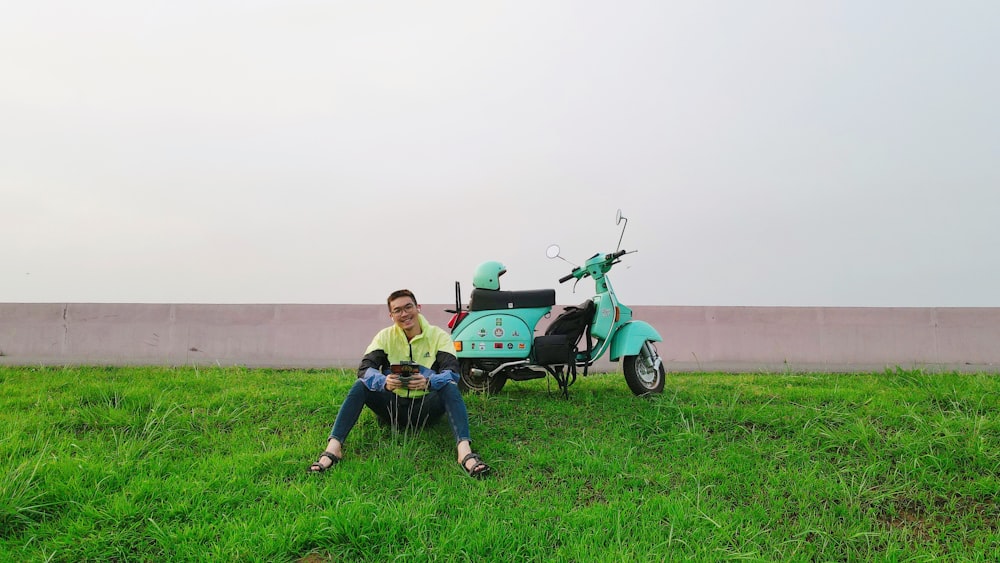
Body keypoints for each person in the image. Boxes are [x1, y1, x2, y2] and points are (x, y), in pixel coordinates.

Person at [308, 289, 491, 478]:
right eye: (397, 310)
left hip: (426, 410)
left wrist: (428, 382)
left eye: (408, 307)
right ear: (391, 315)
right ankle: (333, 448)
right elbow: (365, 369)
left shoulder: (439, 336)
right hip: (392, 410)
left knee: (449, 386)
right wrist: (384, 382)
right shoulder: (385, 337)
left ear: (418, 308)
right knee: (360, 385)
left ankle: (464, 452)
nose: (404, 314)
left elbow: (452, 373)